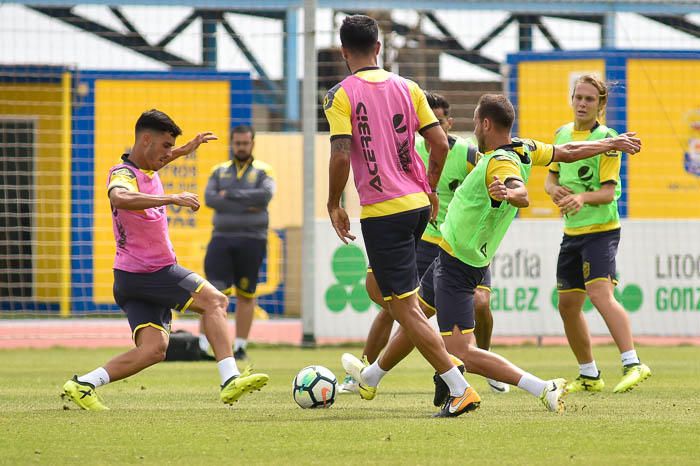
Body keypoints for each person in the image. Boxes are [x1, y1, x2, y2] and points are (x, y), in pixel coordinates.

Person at [342, 94, 642, 414]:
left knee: (462, 353)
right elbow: (567, 152)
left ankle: (542, 388)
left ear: (485, 124)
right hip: (449, 256)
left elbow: (520, 191)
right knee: (414, 321)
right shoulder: (523, 147)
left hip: (458, 265)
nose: (474, 130)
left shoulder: (501, 161)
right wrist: (615, 143)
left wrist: (513, 193)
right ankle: (370, 378)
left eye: (475, 122)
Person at [324, 14, 479, 418]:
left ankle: (457, 383)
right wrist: (429, 186)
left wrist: (333, 202)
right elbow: (440, 143)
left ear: (344, 53)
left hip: (382, 212)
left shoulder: (340, 95)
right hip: (414, 207)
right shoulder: (408, 87)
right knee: (386, 292)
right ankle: (375, 374)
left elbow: (341, 153)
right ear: (378, 48)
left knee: (405, 306)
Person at [62, 110, 269, 411]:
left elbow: (155, 165)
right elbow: (120, 198)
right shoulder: (123, 174)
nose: (168, 154)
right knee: (215, 302)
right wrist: (171, 198)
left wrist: (186, 150)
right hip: (153, 272)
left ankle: (83, 385)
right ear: (146, 140)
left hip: (129, 277)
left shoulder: (145, 168)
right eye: (166, 146)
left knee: (154, 350)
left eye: (172, 148)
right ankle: (229, 379)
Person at [339, 92, 510, 397]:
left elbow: (492, 185)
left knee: (481, 304)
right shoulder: (410, 151)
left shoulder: (470, 155)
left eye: (439, 121)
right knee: (398, 309)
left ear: (449, 122)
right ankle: (364, 372)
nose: (433, 126)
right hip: (423, 242)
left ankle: (483, 360)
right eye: (427, 122)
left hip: (462, 243)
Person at [545, 74, 651, 394]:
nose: (582, 103)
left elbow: (608, 193)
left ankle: (633, 363)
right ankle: (589, 374)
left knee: (600, 296)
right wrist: (555, 192)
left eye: (589, 99)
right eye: (578, 97)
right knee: (567, 305)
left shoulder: (608, 139)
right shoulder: (561, 134)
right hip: (572, 232)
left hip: (601, 232)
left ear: (600, 104)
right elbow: (550, 179)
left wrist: (581, 198)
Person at [198, 125, 275, 361]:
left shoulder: (264, 170)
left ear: (252, 143)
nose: (241, 147)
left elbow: (264, 197)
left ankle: (240, 346)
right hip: (221, 238)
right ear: (232, 144)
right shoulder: (218, 171)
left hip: (253, 240)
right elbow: (210, 199)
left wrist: (229, 195)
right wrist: (247, 201)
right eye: (237, 143)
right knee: (212, 294)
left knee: (246, 294)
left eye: (245, 143)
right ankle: (203, 346)